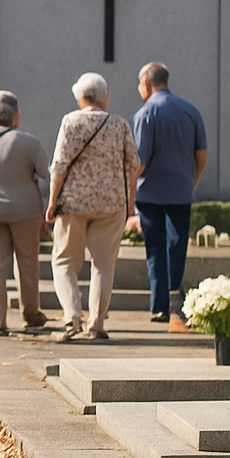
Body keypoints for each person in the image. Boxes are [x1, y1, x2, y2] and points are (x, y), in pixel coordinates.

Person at [46, 72, 141, 342]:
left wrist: (52, 201)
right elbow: (133, 165)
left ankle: (71, 317)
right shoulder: (120, 124)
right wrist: (129, 201)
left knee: (64, 260)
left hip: (73, 203)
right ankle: (97, 324)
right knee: (104, 264)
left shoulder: (70, 122)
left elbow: (59, 165)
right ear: (106, 97)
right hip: (112, 204)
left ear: (79, 97)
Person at [132, 61, 208, 330]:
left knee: (154, 249)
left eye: (140, 84)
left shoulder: (146, 114)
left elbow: (140, 161)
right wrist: (193, 181)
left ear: (148, 84)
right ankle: (177, 301)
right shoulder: (191, 111)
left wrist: (130, 190)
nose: (140, 89)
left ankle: (160, 306)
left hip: (150, 192)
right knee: (177, 246)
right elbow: (202, 153)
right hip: (181, 189)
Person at [0, 91, 51, 336]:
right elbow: (44, 175)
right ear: (15, 114)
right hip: (26, 211)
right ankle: (30, 314)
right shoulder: (29, 142)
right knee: (27, 262)